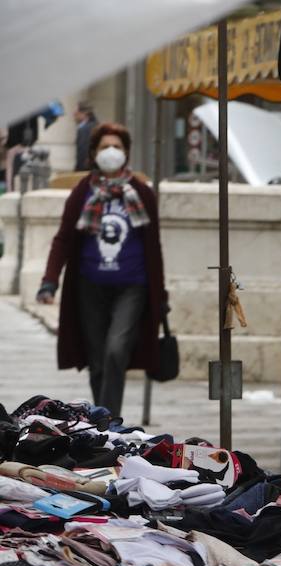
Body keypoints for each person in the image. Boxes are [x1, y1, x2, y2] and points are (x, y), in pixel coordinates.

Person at [36, 122, 169, 418]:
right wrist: (49, 281)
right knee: (97, 361)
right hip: (89, 285)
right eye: (105, 146)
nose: (111, 152)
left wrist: (160, 294)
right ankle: (103, 421)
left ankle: (109, 423)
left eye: (117, 147)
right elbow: (63, 238)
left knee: (116, 350)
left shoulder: (141, 193)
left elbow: (154, 246)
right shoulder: (82, 192)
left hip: (132, 285)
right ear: (94, 153)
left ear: (127, 153)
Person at [74, 101, 97, 175]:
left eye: (76, 112)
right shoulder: (96, 126)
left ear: (84, 113)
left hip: (85, 172)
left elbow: (82, 154)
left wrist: (77, 173)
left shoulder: (85, 130)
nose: (74, 114)